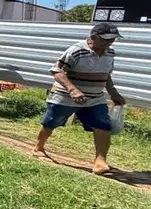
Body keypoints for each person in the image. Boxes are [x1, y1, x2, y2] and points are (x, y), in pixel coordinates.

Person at [35, 23, 126, 175]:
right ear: (93, 37)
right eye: (106, 39)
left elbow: (106, 74)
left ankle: (100, 162)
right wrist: (73, 90)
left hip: (95, 98)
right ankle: (38, 148)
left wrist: (113, 93)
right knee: (52, 122)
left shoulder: (110, 53)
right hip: (66, 96)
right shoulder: (77, 50)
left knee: (103, 125)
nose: (109, 43)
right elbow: (57, 71)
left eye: (112, 40)